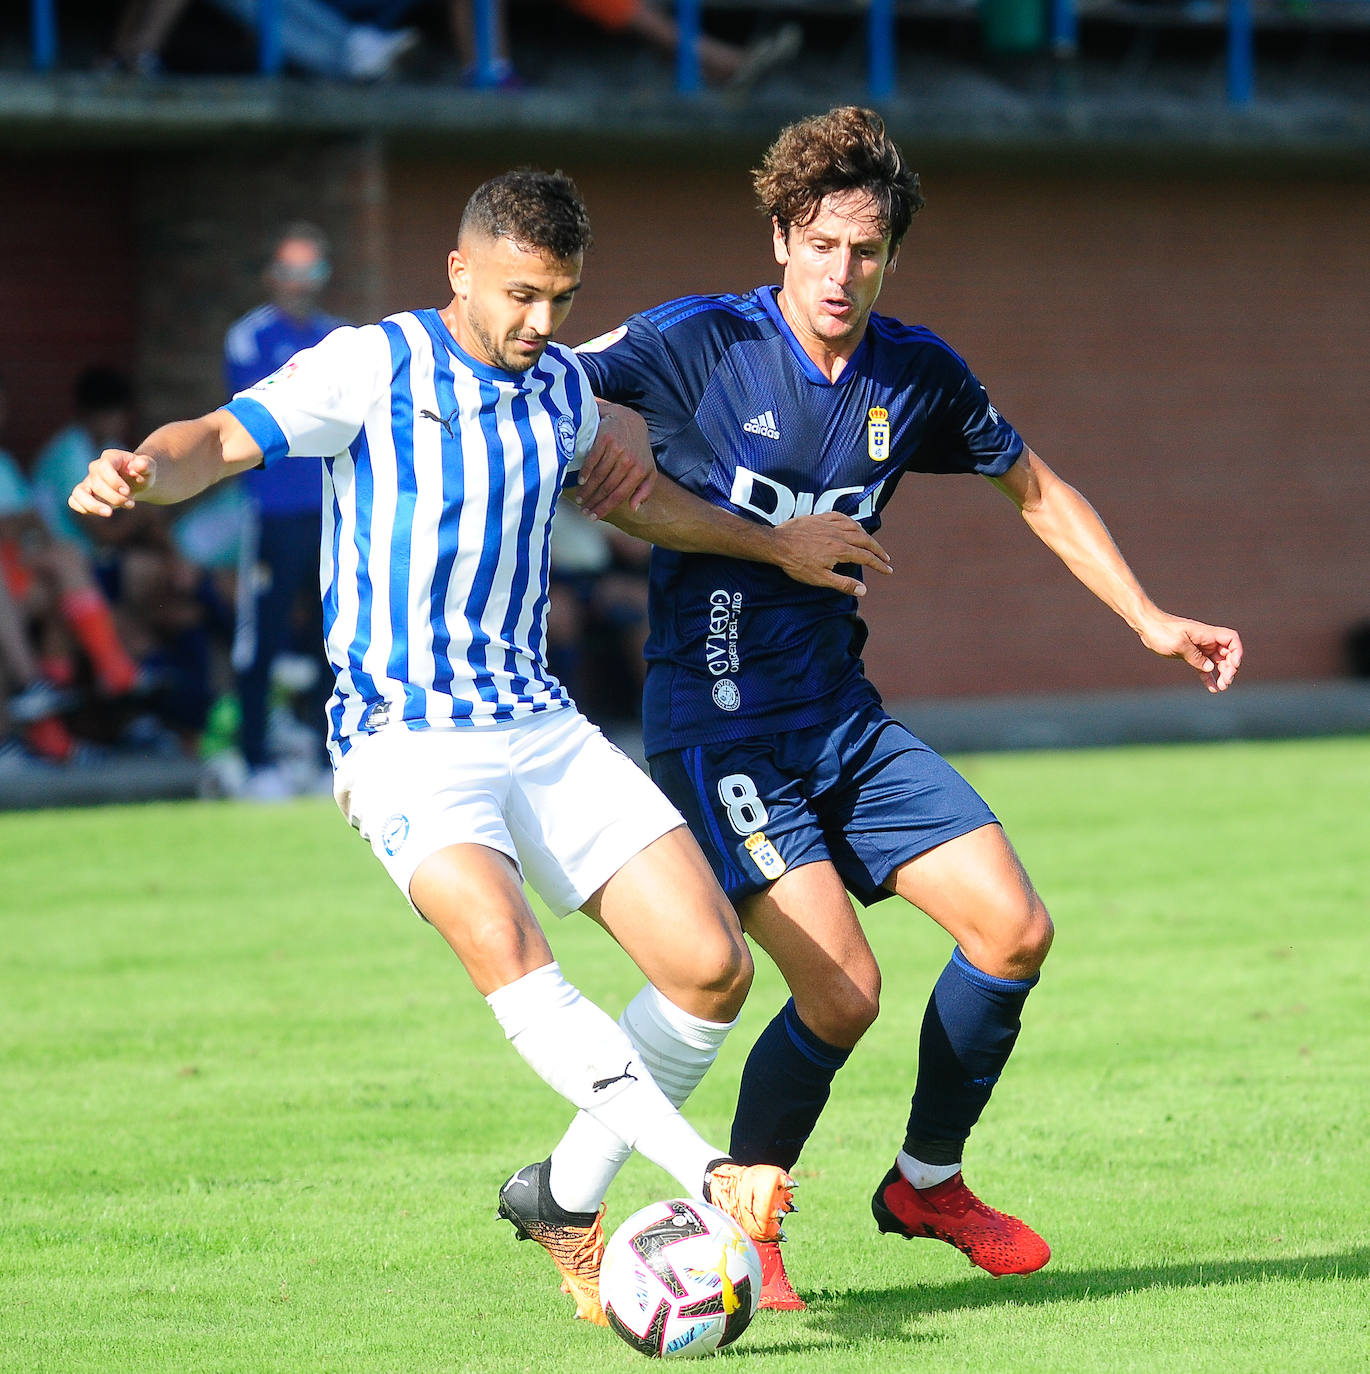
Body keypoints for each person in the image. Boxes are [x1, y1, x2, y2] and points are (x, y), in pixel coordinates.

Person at [68, 169, 889, 1326]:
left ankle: (560, 1195)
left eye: (559, 298)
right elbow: (215, 436)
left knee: (710, 969)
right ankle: (696, 1172)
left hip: (538, 724)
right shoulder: (371, 367)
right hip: (404, 743)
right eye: (519, 296)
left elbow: (638, 502)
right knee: (505, 944)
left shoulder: (558, 389)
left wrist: (775, 545)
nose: (540, 325)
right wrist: (147, 471)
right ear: (459, 271)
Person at [565, 105, 1245, 1310]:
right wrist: (596, 478)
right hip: (718, 727)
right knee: (843, 991)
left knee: (1011, 930)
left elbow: (1032, 486)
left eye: (865, 251)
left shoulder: (912, 372)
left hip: (842, 720)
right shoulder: (693, 341)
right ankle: (749, 1218)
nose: (841, 273)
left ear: (890, 256)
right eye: (820, 244)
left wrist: (1145, 616)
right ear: (780, 235)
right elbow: (543, 379)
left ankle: (925, 1181)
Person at [224, 222, 341, 799]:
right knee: (261, 637)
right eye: (291, 272)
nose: (301, 284)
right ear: (273, 276)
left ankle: (328, 759)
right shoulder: (248, 338)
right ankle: (253, 761)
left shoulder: (338, 339)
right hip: (272, 514)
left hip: (332, 514)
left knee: (335, 634)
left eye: (312, 271)